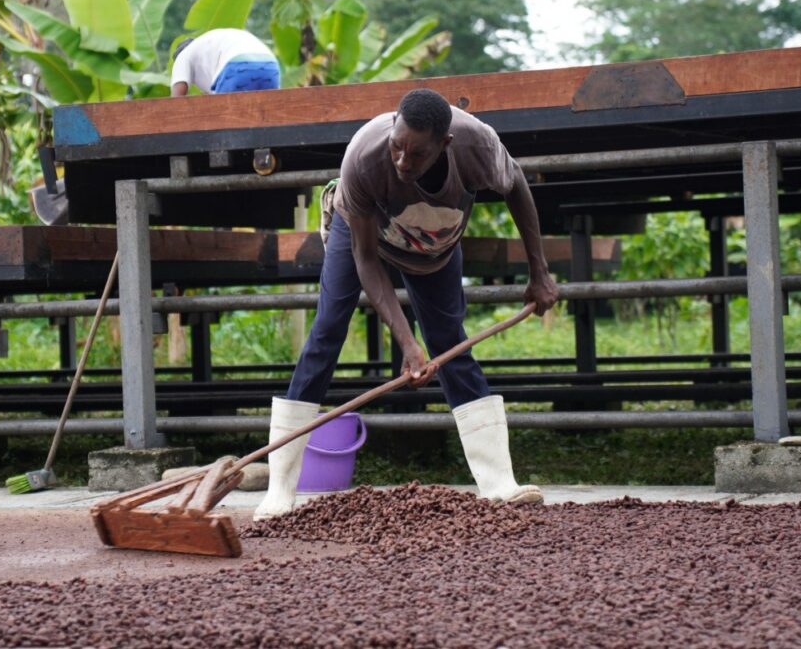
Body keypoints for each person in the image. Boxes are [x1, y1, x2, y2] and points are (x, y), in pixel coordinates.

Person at [254, 88, 560, 521]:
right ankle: (280, 488)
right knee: (327, 331)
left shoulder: (477, 144)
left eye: (416, 155)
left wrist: (539, 271)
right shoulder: (364, 156)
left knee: (449, 339)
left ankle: (499, 484)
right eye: (397, 147)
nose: (402, 161)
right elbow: (365, 259)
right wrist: (406, 343)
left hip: (433, 242)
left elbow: (517, 190)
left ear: (444, 145)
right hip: (363, 234)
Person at [170, 29, 280, 96]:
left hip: (238, 66)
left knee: (223, 121)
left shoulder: (183, 55)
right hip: (270, 65)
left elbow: (176, 101)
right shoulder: (208, 46)